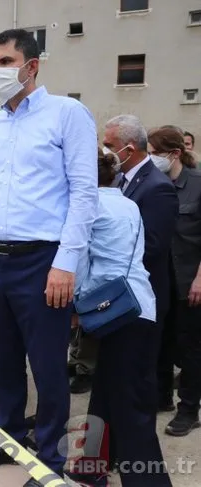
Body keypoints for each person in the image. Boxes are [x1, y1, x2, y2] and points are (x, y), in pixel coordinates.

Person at [0, 29, 98, 485]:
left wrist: (66, 263)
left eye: (5, 61)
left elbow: (84, 194)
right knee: (1, 358)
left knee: (46, 365)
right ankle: (10, 437)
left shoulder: (67, 114)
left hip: (42, 260)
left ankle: (53, 462)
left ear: (32, 65)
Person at [66, 149, 172, 487]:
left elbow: (80, 262)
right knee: (107, 392)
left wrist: (75, 306)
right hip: (137, 306)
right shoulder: (128, 203)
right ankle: (92, 467)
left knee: (130, 406)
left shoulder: (87, 207)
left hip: (114, 311)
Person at [102, 115, 179, 411]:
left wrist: (106, 253)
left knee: (136, 376)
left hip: (140, 297)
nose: (105, 150)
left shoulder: (157, 187)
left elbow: (153, 246)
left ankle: (136, 448)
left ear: (129, 148)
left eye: (109, 145)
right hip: (120, 295)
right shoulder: (122, 181)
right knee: (117, 376)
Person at [146, 127, 201, 436]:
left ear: (175, 154)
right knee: (160, 343)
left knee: (190, 347)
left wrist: (199, 280)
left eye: (155, 153)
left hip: (188, 280)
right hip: (157, 279)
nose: (151, 159)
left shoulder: (197, 185)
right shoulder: (152, 184)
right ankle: (161, 396)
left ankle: (189, 408)